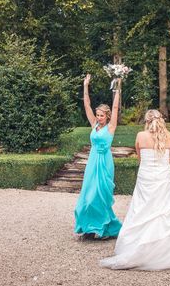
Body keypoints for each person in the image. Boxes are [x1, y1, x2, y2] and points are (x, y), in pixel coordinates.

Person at [100, 109, 170, 270]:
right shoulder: (168, 136)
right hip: (163, 178)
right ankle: (166, 250)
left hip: (146, 177)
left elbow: (140, 159)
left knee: (142, 210)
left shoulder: (140, 136)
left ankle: (138, 247)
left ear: (146, 121)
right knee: (164, 210)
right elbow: (169, 161)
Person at [74, 74, 122, 239]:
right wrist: (85, 85)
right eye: (98, 115)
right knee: (88, 194)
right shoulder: (94, 125)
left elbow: (115, 108)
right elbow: (86, 104)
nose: (99, 117)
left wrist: (117, 88)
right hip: (92, 161)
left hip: (105, 162)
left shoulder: (111, 127)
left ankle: (104, 228)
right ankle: (88, 228)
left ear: (107, 116)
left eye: (102, 115)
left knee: (101, 195)